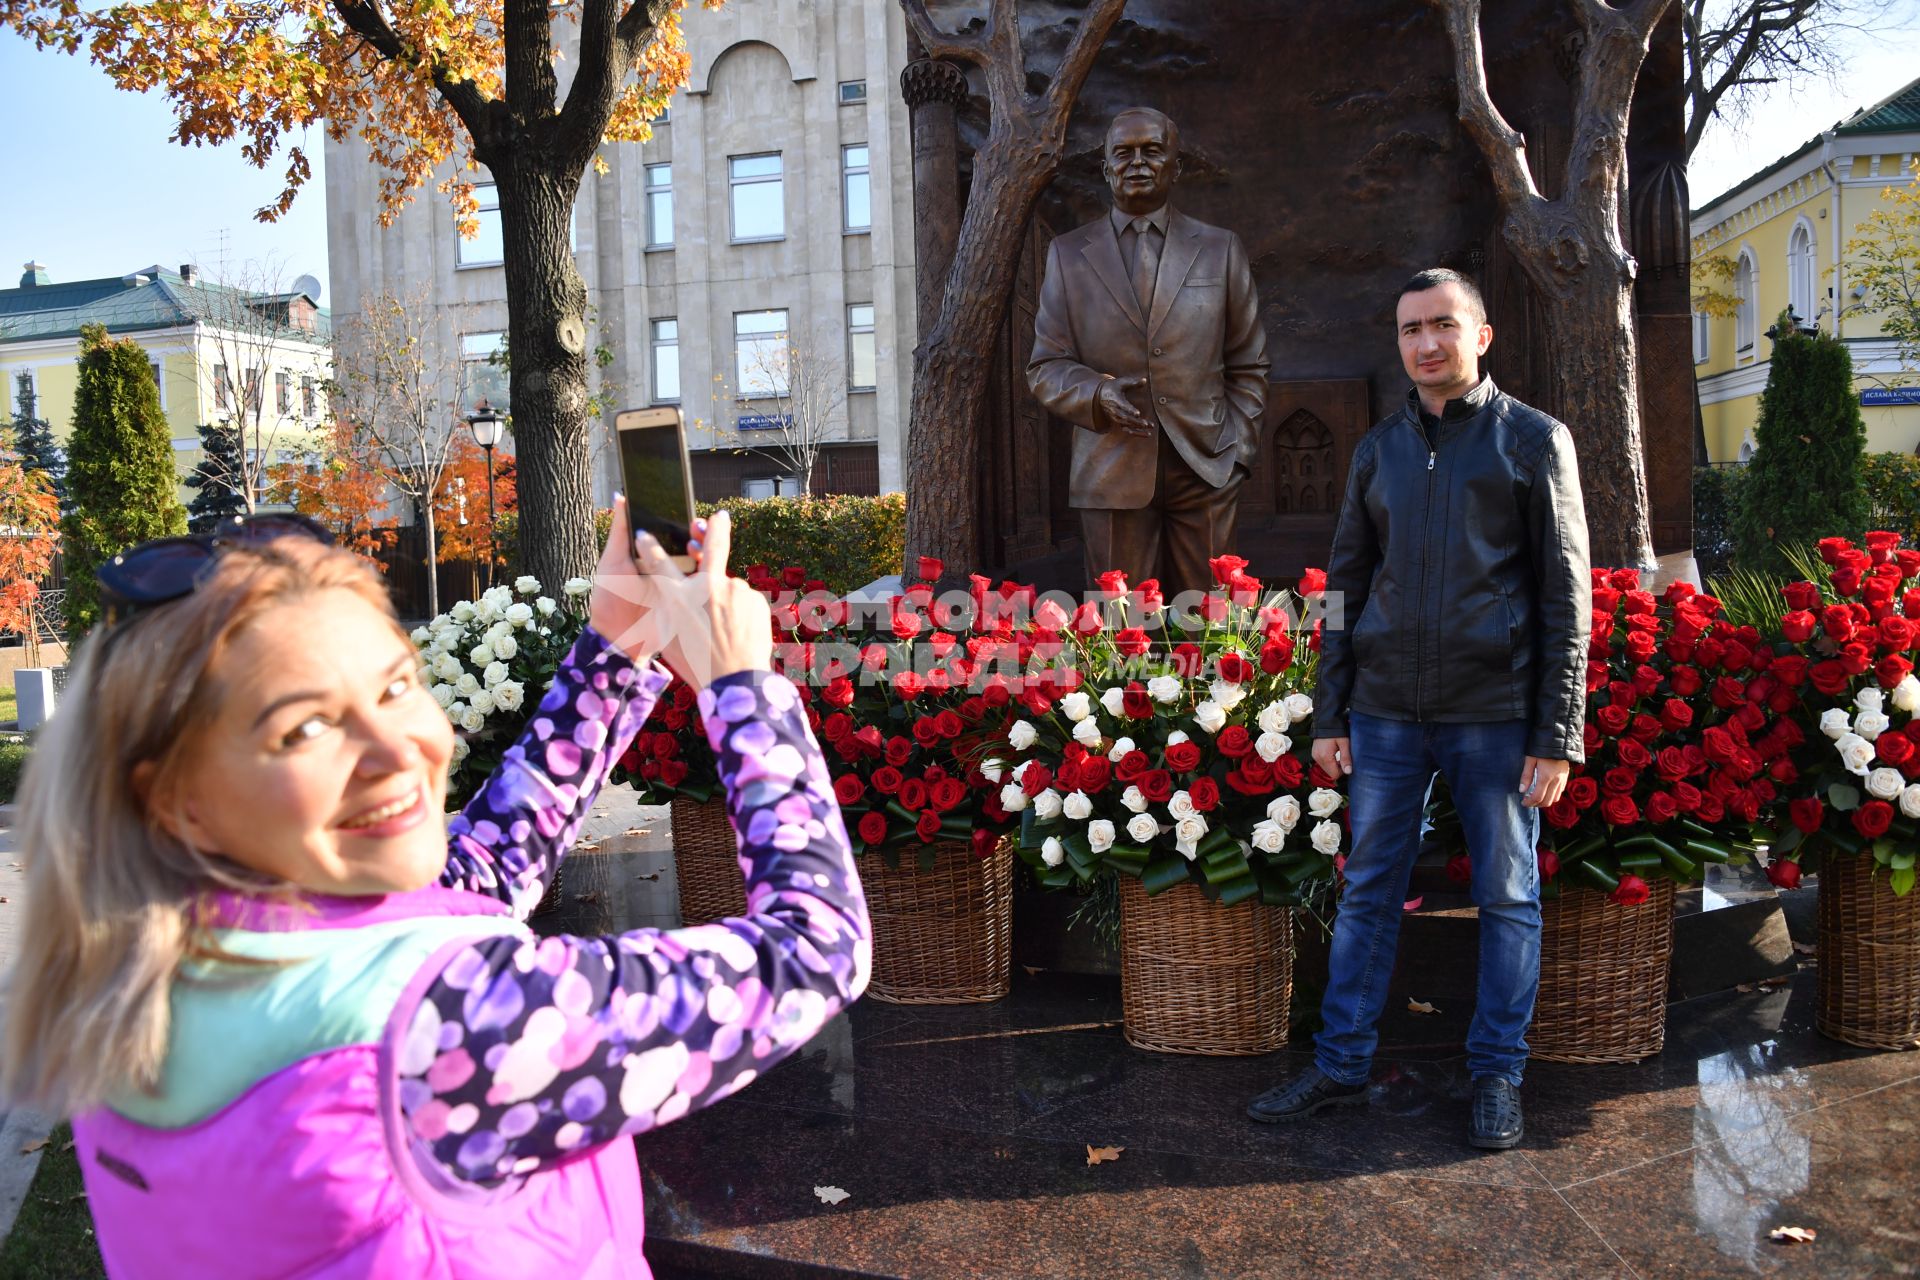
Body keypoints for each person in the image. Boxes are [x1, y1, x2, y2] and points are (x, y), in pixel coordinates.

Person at [0, 501, 870, 1277]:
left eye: (397, 686)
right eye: (306, 728)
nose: (401, 750)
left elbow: (473, 879)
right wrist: (740, 687)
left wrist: (614, 651)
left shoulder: (148, 955)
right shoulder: (446, 1031)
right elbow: (814, 950)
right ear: (175, 797)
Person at [1248, 269, 1591, 1150]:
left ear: (1481, 336)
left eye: (1444, 325)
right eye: (1410, 330)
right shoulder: (1377, 451)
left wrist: (1556, 734)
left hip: (1496, 712)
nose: (1426, 343)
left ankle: (1497, 1073)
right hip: (1387, 715)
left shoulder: (1534, 442)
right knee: (1367, 892)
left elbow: (1567, 598)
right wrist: (1331, 715)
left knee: (1508, 896)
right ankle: (1340, 1062)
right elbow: (1346, 589)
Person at [1027, 106, 1269, 601]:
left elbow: (1249, 363)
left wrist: (1237, 451)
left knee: (1209, 626)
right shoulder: (1068, 255)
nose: (1138, 162)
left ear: (1175, 166)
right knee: (1122, 635)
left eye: (1152, 151)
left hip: (1207, 466)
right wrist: (1096, 393)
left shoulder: (1221, 249)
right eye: (1124, 152)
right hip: (1111, 468)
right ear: (1106, 168)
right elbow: (1045, 365)